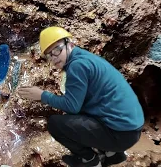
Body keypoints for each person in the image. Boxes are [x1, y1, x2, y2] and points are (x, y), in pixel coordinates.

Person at [18, 26, 144, 167]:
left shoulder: (77, 66)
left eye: (57, 50)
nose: (54, 58)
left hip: (122, 134)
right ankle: (112, 155)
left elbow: (72, 107)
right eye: (49, 55)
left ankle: (90, 160)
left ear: (70, 44)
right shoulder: (84, 57)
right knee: (79, 110)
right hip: (130, 127)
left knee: (55, 124)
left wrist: (42, 95)